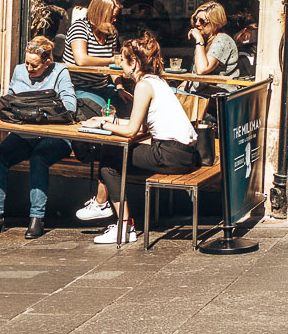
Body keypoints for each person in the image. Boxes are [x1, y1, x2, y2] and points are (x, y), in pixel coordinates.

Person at [78, 33, 198, 244]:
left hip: (170, 154)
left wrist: (104, 125)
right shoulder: (156, 81)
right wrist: (106, 121)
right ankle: (110, 213)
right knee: (111, 159)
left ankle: (116, 219)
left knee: (109, 162)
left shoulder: (143, 86)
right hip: (184, 154)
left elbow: (133, 131)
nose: (120, 65)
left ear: (133, 63)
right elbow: (141, 125)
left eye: (122, 60)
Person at [0, 36, 77, 239]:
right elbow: (9, 98)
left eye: (34, 65)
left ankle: (36, 218)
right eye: (26, 63)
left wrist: (37, 111)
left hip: (54, 135)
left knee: (39, 158)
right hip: (24, 133)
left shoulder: (60, 72)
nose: (28, 69)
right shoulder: (19, 70)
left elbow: (70, 105)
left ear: (47, 63)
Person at [62, 0, 130, 114]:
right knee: (105, 113)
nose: (114, 20)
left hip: (103, 88)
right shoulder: (80, 28)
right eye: (111, 17)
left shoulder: (110, 33)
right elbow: (81, 60)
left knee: (131, 108)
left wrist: (120, 88)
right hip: (80, 89)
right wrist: (111, 60)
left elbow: (113, 67)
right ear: (100, 14)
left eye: (116, 16)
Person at [188, 1, 240, 92]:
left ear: (214, 23)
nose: (197, 24)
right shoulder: (206, 41)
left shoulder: (222, 40)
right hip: (201, 94)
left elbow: (202, 69)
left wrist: (199, 41)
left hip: (218, 96)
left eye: (202, 21)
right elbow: (195, 73)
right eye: (195, 19)